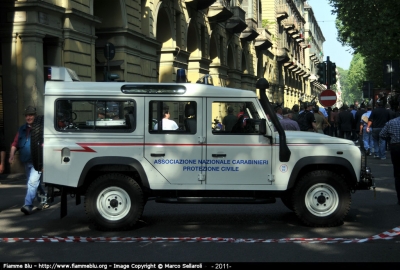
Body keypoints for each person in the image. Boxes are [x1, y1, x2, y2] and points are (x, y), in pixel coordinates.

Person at [9, 106, 47, 215]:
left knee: (32, 182)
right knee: (35, 183)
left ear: (35, 116)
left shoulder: (40, 128)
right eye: (26, 115)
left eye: (30, 115)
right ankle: (44, 198)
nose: (28, 117)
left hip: (38, 161)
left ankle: (28, 205)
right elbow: (14, 143)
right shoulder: (21, 129)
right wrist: (11, 155)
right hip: (26, 161)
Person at [379, 114, 400, 205]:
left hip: (396, 148)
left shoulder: (391, 122)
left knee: (398, 174)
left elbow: (382, 134)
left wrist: (390, 138)